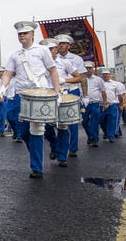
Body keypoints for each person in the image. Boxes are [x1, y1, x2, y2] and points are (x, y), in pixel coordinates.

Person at [0, 21, 61, 179]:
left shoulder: (42, 50)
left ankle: (37, 167)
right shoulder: (15, 54)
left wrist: (57, 91)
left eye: (25, 33)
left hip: (40, 93)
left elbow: (53, 71)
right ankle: (37, 157)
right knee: (24, 132)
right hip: (22, 95)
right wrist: (3, 86)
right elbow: (8, 73)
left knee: (38, 129)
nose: (22, 36)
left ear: (32, 34)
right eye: (20, 34)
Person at [39, 38, 82, 167]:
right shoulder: (39, 64)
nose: (47, 52)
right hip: (45, 96)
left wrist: (65, 80)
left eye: (49, 50)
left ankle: (62, 157)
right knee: (46, 127)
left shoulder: (65, 63)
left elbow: (79, 78)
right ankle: (54, 145)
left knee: (63, 126)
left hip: (61, 95)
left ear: (55, 50)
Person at [54, 34, 88, 158]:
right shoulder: (52, 58)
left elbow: (82, 78)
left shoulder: (76, 59)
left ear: (69, 45)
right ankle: (59, 146)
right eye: (59, 44)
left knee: (72, 121)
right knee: (57, 121)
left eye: (64, 43)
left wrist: (85, 95)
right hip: (57, 91)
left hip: (72, 90)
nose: (61, 46)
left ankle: (72, 147)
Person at [81, 62, 107, 147]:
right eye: (86, 68)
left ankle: (94, 139)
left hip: (94, 103)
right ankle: (90, 135)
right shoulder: (80, 79)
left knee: (94, 122)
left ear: (92, 69)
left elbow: (103, 92)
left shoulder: (98, 79)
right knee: (84, 122)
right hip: (84, 104)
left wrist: (105, 103)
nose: (88, 70)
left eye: (89, 68)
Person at [99, 69, 126, 142]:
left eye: (107, 74)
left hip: (112, 105)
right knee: (101, 121)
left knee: (112, 121)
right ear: (102, 75)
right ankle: (106, 132)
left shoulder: (116, 84)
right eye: (104, 74)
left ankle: (111, 136)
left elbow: (120, 95)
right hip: (101, 105)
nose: (105, 75)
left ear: (110, 75)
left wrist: (121, 105)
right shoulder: (99, 83)